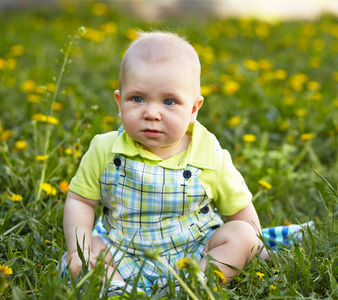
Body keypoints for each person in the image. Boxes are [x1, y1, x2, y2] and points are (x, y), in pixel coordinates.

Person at [62, 31, 265, 295]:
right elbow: (80, 201)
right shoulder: (105, 149)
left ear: (193, 109)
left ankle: (196, 286)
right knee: (82, 256)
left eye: (169, 102)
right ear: (119, 103)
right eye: (137, 98)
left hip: (195, 252)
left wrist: (253, 246)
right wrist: (81, 248)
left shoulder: (208, 155)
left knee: (243, 235)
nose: (152, 113)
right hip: (123, 251)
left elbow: (240, 211)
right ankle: (118, 290)